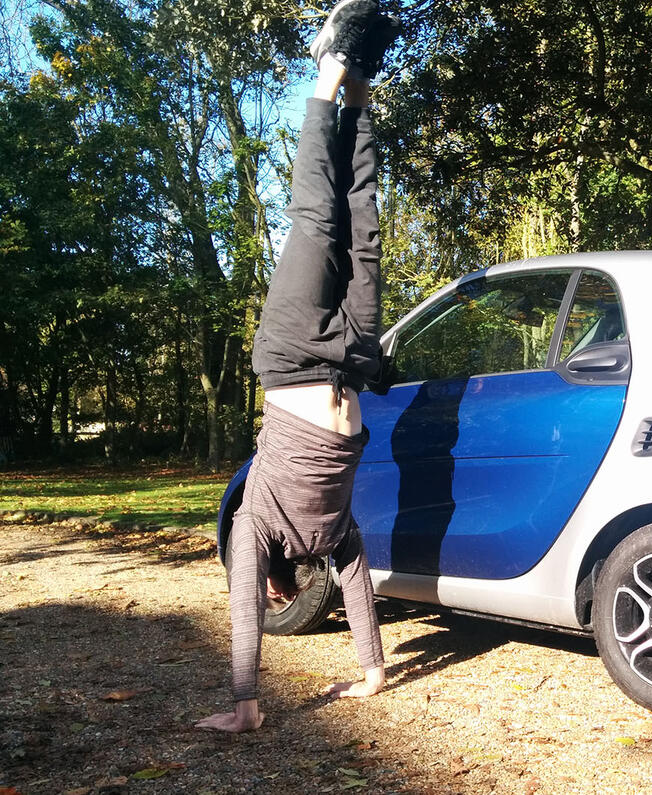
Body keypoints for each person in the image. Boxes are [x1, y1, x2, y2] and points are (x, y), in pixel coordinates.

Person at [196, 0, 401, 733]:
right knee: (363, 226)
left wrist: (246, 705)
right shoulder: (329, 535)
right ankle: (360, 91)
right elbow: (358, 591)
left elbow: (244, 602)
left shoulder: (256, 524)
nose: (273, 594)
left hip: (291, 358)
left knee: (320, 220)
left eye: (280, 595)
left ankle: (329, 74)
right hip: (346, 357)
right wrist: (371, 669)